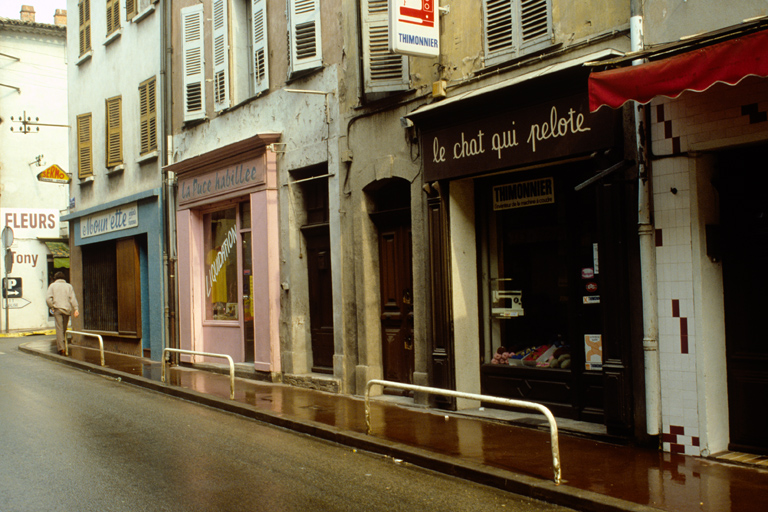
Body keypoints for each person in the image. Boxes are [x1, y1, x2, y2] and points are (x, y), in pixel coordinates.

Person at [45, 272, 80, 355]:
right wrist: (76, 309)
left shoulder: (52, 286)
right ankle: (64, 345)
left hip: (57, 309)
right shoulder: (69, 286)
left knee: (59, 328)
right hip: (67, 310)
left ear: (55, 278)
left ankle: (62, 348)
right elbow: (73, 298)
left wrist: (52, 306)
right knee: (64, 328)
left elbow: (48, 299)